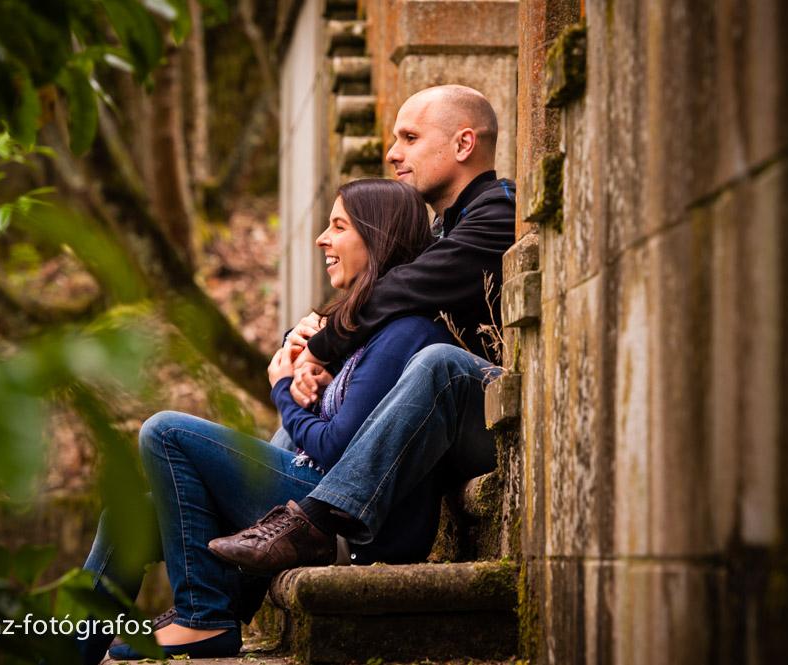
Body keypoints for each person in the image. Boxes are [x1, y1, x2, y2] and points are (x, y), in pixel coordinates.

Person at [77, 178, 459, 663]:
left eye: (338, 226)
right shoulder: (361, 335)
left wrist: (284, 392)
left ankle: (204, 615)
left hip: (342, 523)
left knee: (165, 430)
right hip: (302, 498)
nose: (322, 238)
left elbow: (337, 451)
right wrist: (307, 368)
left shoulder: (404, 334)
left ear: (376, 238)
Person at [208, 84, 516, 573]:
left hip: (492, 421)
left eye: (410, 138)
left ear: (463, 145)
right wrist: (307, 344)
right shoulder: (443, 231)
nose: (392, 154)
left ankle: (316, 521)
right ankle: (219, 581)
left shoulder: (499, 214)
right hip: (434, 432)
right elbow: (376, 298)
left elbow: (396, 291)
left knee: (440, 362)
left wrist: (321, 350)